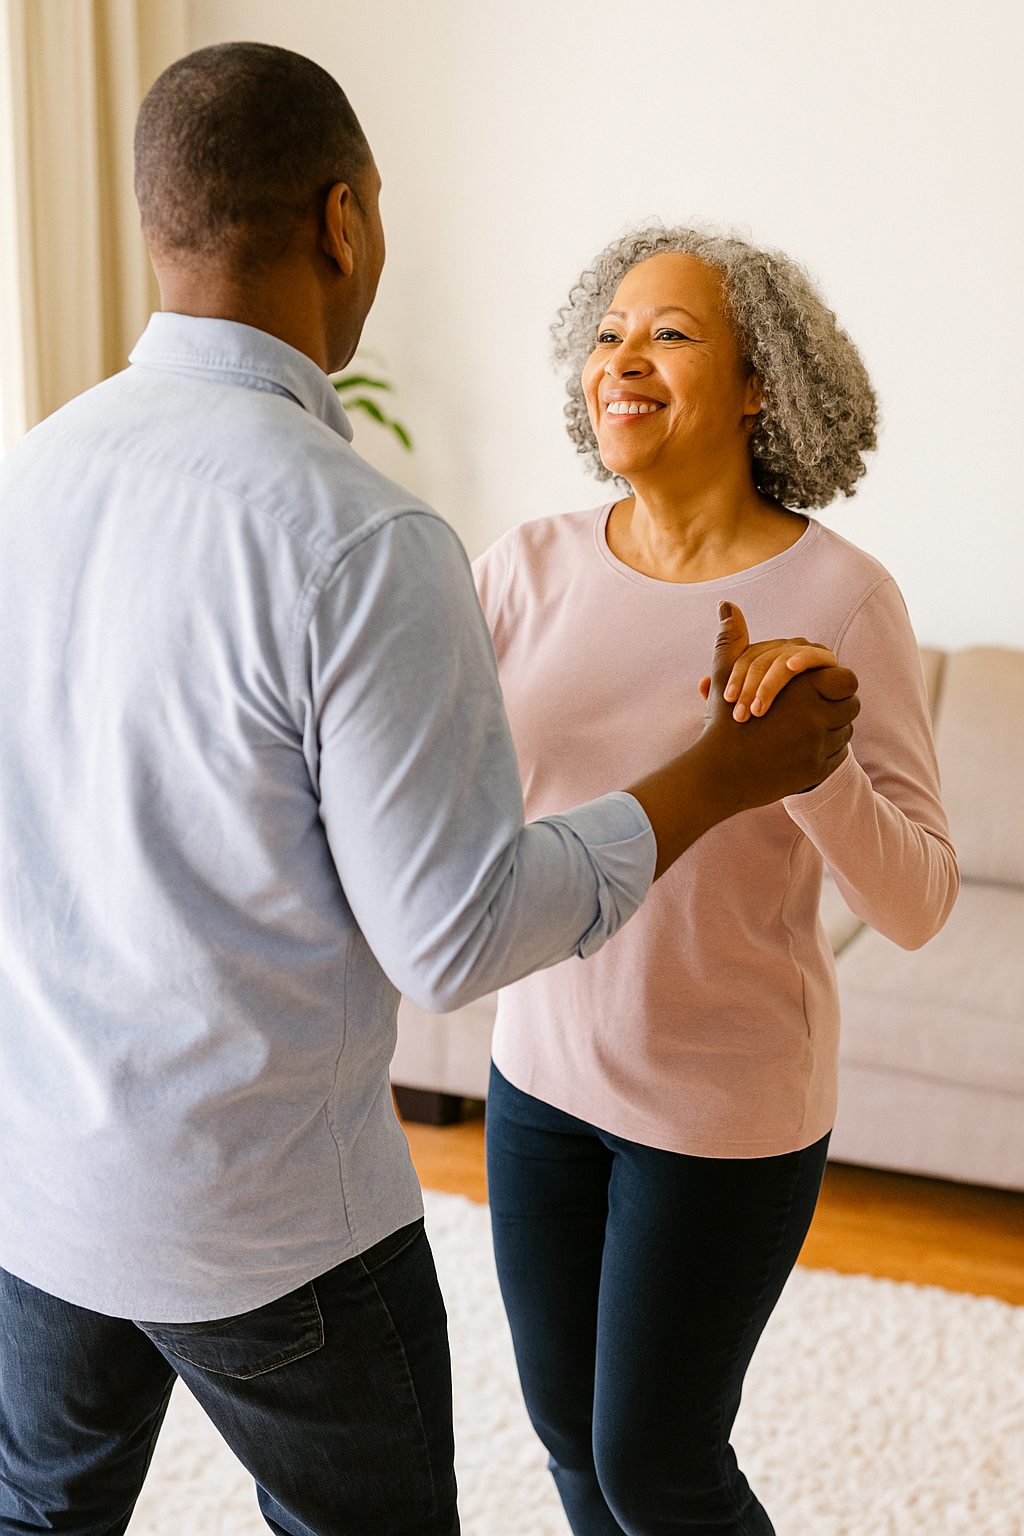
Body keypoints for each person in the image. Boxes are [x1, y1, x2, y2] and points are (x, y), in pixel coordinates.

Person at [0, 47, 859, 1536]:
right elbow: (452, 939)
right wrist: (714, 779)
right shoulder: (364, 538)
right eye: (611, 331)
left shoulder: (32, 477)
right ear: (347, 223)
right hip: (269, 1219)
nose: (626, 361)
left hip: (41, 1189)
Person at [475, 227, 959, 1536]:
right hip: (537, 1081)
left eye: (670, 334)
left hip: (724, 1113)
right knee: (569, 1438)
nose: (622, 359)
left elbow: (918, 902)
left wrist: (800, 762)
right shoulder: (521, 571)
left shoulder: (843, 595)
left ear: (760, 385)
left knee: (657, 1465)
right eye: (609, 332)